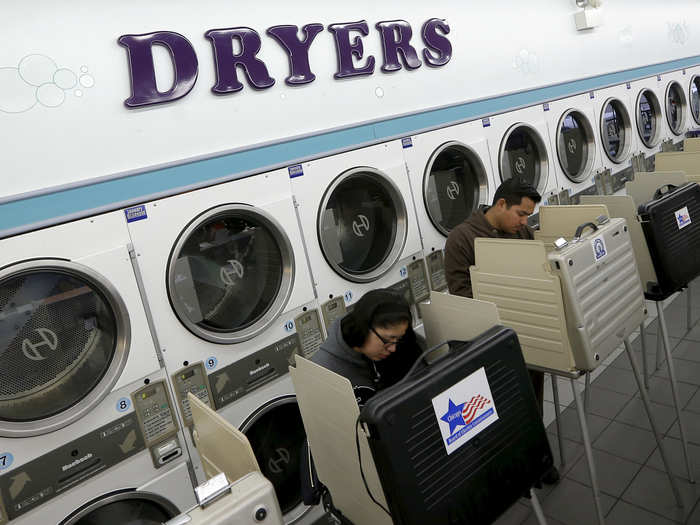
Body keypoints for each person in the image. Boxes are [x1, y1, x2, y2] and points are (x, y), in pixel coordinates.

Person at [443, 177, 560, 485]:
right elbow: (460, 294)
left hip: (525, 330)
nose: (524, 222)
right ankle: (508, 465)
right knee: (496, 409)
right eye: (521, 214)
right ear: (501, 204)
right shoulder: (461, 239)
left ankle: (536, 459)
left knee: (532, 400)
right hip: (486, 338)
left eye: (529, 216)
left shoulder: (522, 232)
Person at [311, 288, 423, 407]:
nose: (393, 349)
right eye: (388, 340)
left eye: (398, 339)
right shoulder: (322, 371)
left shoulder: (402, 340)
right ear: (363, 328)